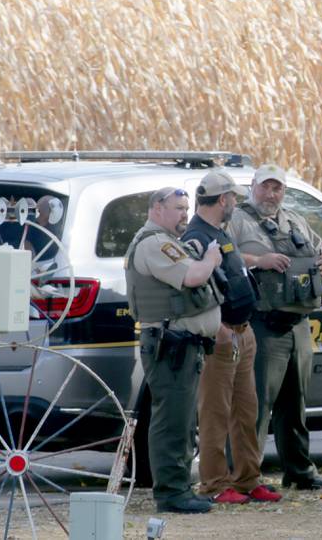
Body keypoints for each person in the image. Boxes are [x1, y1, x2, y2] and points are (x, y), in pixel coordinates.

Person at [227, 164, 322, 490]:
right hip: (263, 324)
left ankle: (300, 471)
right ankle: (246, 476)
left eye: (277, 188)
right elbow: (224, 257)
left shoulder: (294, 220)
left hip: (299, 325)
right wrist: (259, 261)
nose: (271, 194)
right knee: (257, 404)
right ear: (253, 187)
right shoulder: (238, 219)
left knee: (295, 403)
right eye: (265, 187)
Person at [182, 170, 282, 505]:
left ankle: (248, 479)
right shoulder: (196, 237)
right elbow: (193, 287)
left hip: (243, 332)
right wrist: (217, 327)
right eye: (233, 198)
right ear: (222, 199)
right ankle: (214, 482)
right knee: (215, 411)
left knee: (246, 409)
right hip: (220, 337)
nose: (235, 203)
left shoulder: (219, 231)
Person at [124, 186, 223, 514]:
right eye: (178, 208)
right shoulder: (154, 243)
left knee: (181, 421)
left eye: (186, 208)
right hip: (171, 347)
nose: (184, 214)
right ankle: (171, 494)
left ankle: (180, 488)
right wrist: (210, 258)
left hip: (181, 345)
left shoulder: (167, 242)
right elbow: (194, 276)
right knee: (172, 422)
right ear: (157, 209)